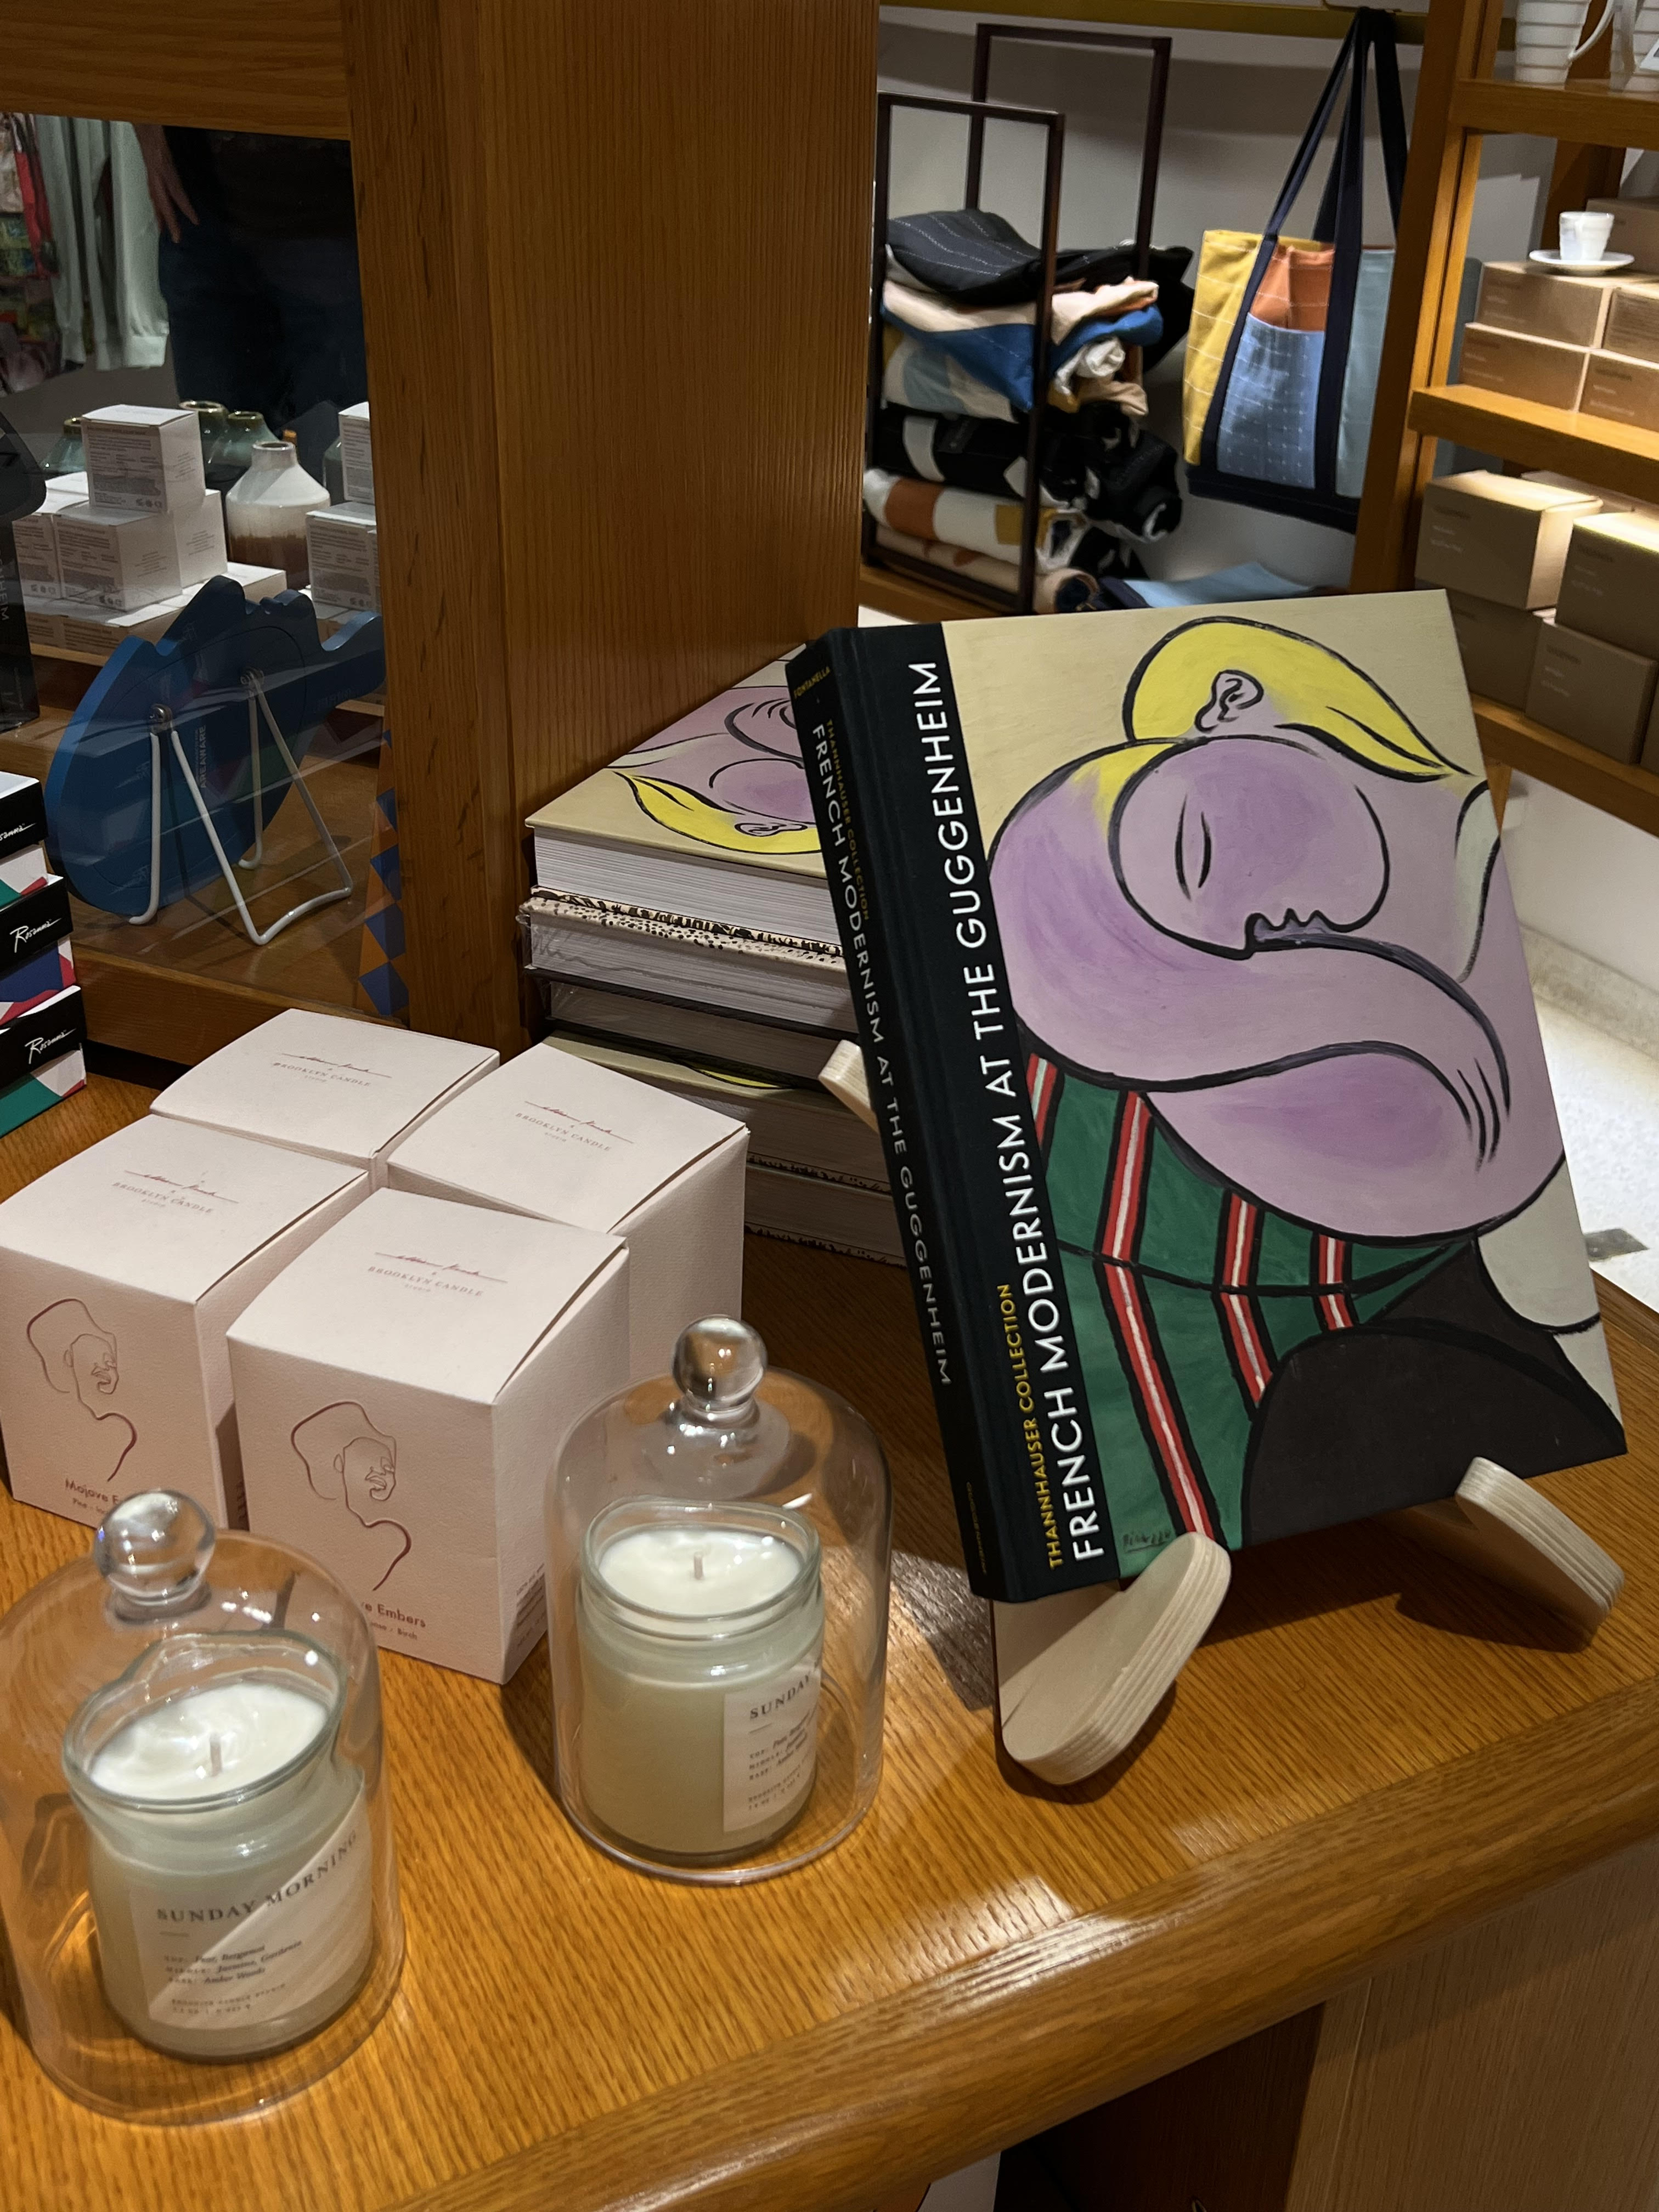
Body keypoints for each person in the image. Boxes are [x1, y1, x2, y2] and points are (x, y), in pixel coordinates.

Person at [989, 617, 1624, 1560]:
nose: (1258, 921)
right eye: (1220, 960)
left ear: (1231, 704)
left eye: (1197, 853)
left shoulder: (1473, 920)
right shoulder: (1374, 1076)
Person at [133, 126, 366, 460]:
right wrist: (145, 125)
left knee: (341, 466)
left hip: (330, 203)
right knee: (215, 465)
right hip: (199, 193)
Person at [290, 1401, 409, 1593]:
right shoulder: (316, 1530)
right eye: (367, 1460)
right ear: (340, 1463)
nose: (380, 1471)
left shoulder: (393, 1541)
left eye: (388, 1468)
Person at [26, 1297, 136, 1488]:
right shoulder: (55, 1428)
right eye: (95, 1361)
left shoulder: (117, 1432)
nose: (107, 1371)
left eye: (110, 1363)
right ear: (68, 1359)